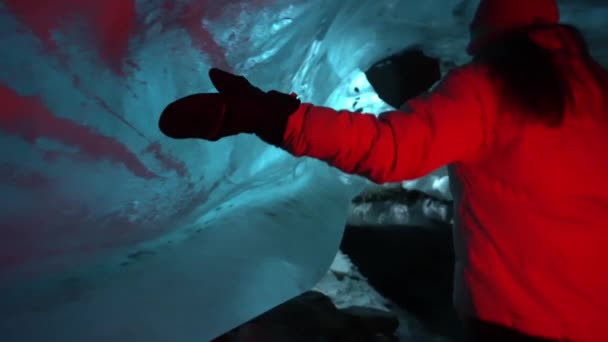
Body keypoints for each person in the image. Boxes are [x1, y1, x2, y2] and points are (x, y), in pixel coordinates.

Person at [158, 0, 608, 341]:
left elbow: (389, 150)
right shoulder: (596, 84)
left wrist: (267, 115)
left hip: (520, 321)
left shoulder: (495, 86)